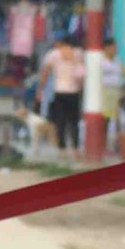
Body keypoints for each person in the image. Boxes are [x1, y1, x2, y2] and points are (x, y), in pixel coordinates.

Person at [35, 30, 88, 158]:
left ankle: (62, 149)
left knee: (60, 121)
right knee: (74, 121)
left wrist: (40, 89)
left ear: (61, 42)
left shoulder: (53, 54)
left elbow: (45, 74)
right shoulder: (78, 53)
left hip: (59, 91)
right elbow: (83, 72)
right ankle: (75, 149)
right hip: (74, 91)